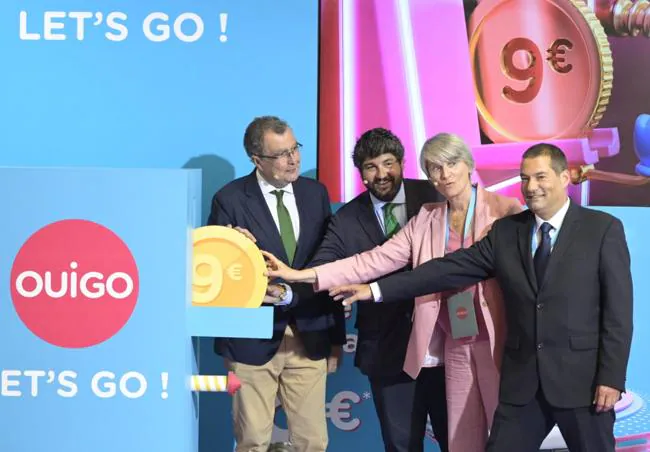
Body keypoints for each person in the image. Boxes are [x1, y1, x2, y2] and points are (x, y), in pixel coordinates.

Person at [326, 143, 634, 452]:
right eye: (525, 179)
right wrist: (374, 290)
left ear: (565, 177)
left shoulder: (602, 229)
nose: (531, 187)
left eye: (540, 177)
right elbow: (443, 269)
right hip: (521, 384)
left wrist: (611, 377)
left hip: (581, 384)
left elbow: (618, 314)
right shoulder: (508, 231)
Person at [264, 132, 522, 452]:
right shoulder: (427, 215)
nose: (445, 175)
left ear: (468, 164)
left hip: (499, 337)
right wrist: (297, 274)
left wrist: (373, 290)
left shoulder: (508, 211)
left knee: (506, 435)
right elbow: (373, 261)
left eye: (451, 164)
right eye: (435, 168)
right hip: (450, 341)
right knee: (463, 439)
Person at [299, 127, 446, 451]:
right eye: (371, 166)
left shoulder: (436, 197)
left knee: (460, 441)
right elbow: (326, 265)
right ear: (361, 174)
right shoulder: (347, 219)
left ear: (403, 163)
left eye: (388, 163)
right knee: (401, 445)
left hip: (445, 344)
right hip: (386, 351)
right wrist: (316, 284)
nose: (382, 174)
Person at [207, 115, 344, 452]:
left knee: (313, 441)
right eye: (282, 154)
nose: (294, 159)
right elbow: (215, 273)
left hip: (309, 334)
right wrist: (233, 247)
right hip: (252, 341)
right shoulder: (230, 199)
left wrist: (335, 337)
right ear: (257, 160)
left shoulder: (316, 193)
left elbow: (328, 264)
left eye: (295, 148)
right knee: (253, 440)